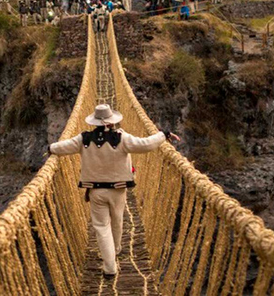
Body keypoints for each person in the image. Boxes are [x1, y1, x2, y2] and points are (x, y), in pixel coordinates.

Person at [48, 104, 181, 278]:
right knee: (117, 221)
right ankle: (116, 249)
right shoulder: (122, 137)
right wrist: (163, 134)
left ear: (94, 122)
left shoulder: (84, 139)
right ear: (112, 122)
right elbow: (145, 144)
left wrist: (50, 149)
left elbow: (63, 147)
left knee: (101, 227)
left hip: (95, 191)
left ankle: (109, 268)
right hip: (118, 190)